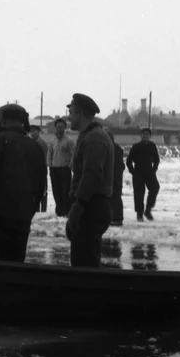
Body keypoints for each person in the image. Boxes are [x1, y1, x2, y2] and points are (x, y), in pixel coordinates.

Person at [0, 104, 46, 262]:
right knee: (14, 265)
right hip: (22, 218)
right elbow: (41, 184)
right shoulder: (35, 146)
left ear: (3, 119)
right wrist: (30, 210)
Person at [65, 93, 114, 267]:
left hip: (91, 207)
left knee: (84, 265)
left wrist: (78, 207)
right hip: (90, 205)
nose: (69, 117)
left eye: (71, 112)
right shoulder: (89, 135)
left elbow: (92, 176)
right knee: (84, 261)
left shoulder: (94, 138)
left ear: (80, 112)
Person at [126, 126, 161, 221]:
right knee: (139, 194)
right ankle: (139, 214)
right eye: (144, 134)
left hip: (150, 172)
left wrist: (154, 169)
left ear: (150, 136)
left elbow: (156, 159)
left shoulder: (152, 146)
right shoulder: (136, 146)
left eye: (148, 134)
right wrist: (132, 171)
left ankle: (148, 210)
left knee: (155, 188)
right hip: (138, 173)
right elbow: (129, 160)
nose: (146, 136)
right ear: (141, 135)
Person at [47, 117, 75, 217]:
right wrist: (50, 166)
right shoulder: (53, 141)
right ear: (55, 128)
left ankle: (67, 211)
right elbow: (49, 154)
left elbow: (73, 154)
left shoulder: (69, 141)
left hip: (65, 169)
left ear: (65, 128)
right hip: (54, 169)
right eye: (58, 127)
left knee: (65, 191)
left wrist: (70, 166)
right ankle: (59, 211)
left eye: (61, 127)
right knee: (56, 191)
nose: (59, 129)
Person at [28, 124, 49, 212]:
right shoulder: (29, 142)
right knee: (34, 190)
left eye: (34, 131)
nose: (32, 133)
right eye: (30, 131)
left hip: (41, 170)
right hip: (32, 170)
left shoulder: (42, 143)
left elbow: (44, 158)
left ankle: (43, 210)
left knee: (43, 191)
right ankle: (35, 209)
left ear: (38, 132)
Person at [106, 129, 125, 226]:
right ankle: (114, 217)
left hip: (114, 178)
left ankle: (117, 218)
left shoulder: (114, 148)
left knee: (115, 198)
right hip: (114, 177)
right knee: (113, 198)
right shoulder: (115, 148)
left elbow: (118, 165)